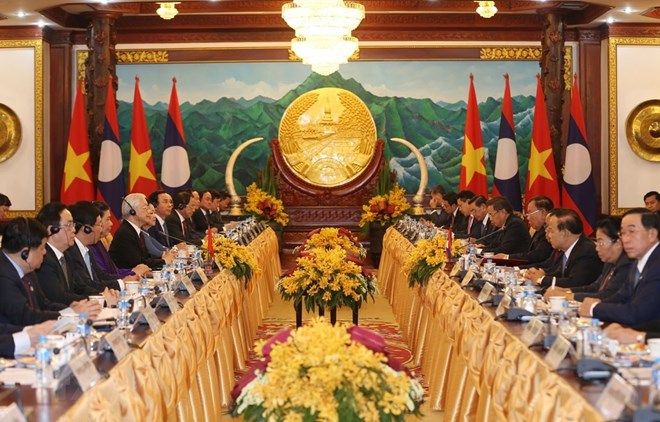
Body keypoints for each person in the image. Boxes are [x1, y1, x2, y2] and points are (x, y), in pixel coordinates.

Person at [0, 217, 98, 326]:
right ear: (25, 253)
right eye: (42, 248)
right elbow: (25, 316)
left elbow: (44, 304)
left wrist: (71, 309)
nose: (45, 252)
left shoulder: (28, 269)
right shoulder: (3, 275)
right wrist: (70, 314)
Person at [579, 208, 660, 325]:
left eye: (632, 232)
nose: (625, 240)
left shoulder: (657, 265)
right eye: (623, 233)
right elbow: (621, 297)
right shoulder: (638, 260)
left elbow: (639, 313)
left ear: (652, 234)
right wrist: (597, 303)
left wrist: (594, 308)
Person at [545, 216, 633, 301]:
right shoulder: (609, 263)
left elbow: (607, 296)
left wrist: (567, 296)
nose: (597, 248)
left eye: (601, 243)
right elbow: (594, 287)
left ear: (618, 243)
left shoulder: (626, 265)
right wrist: (566, 290)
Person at [35, 202, 103, 308]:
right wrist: (97, 300)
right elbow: (59, 297)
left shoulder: (66, 255)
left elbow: (79, 287)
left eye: (73, 225)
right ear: (52, 230)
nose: (74, 230)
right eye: (69, 225)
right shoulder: (44, 258)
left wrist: (101, 296)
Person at [526, 208, 602, 289]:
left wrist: (541, 279)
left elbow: (574, 283)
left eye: (551, 231)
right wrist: (539, 275)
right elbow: (559, 274)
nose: (548, 236)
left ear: (565, 233)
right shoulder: (565, 249)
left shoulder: (586, 251)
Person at [65, 201, 122, 298]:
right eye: (99, 224)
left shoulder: (87, 249)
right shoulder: (71, 252)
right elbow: (85, 285)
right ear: (86, 228)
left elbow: (100, 276)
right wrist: (121, 284)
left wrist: (125, 280)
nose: (101, 229)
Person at [89, 201, 149, 280]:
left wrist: (133, 270)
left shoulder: (98, 242)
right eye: (107, 219)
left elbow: (113, 271)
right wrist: (133, 272)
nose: (111, 224)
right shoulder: (91, 245)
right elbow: (103, 276)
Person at [109, 193, 167, 269]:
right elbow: (138, 264)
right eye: (145, 208)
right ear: (132, 211)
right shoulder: (125, 233)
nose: (149, 211)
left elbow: (146, 258)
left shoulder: (136, 231)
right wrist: (164, 261)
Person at [497, 195, 554, 264]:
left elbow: (537, 255)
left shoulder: (549, 232)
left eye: (530, 213)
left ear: (543, 213)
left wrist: (507, 257)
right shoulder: (539, 231)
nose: (527, 218)